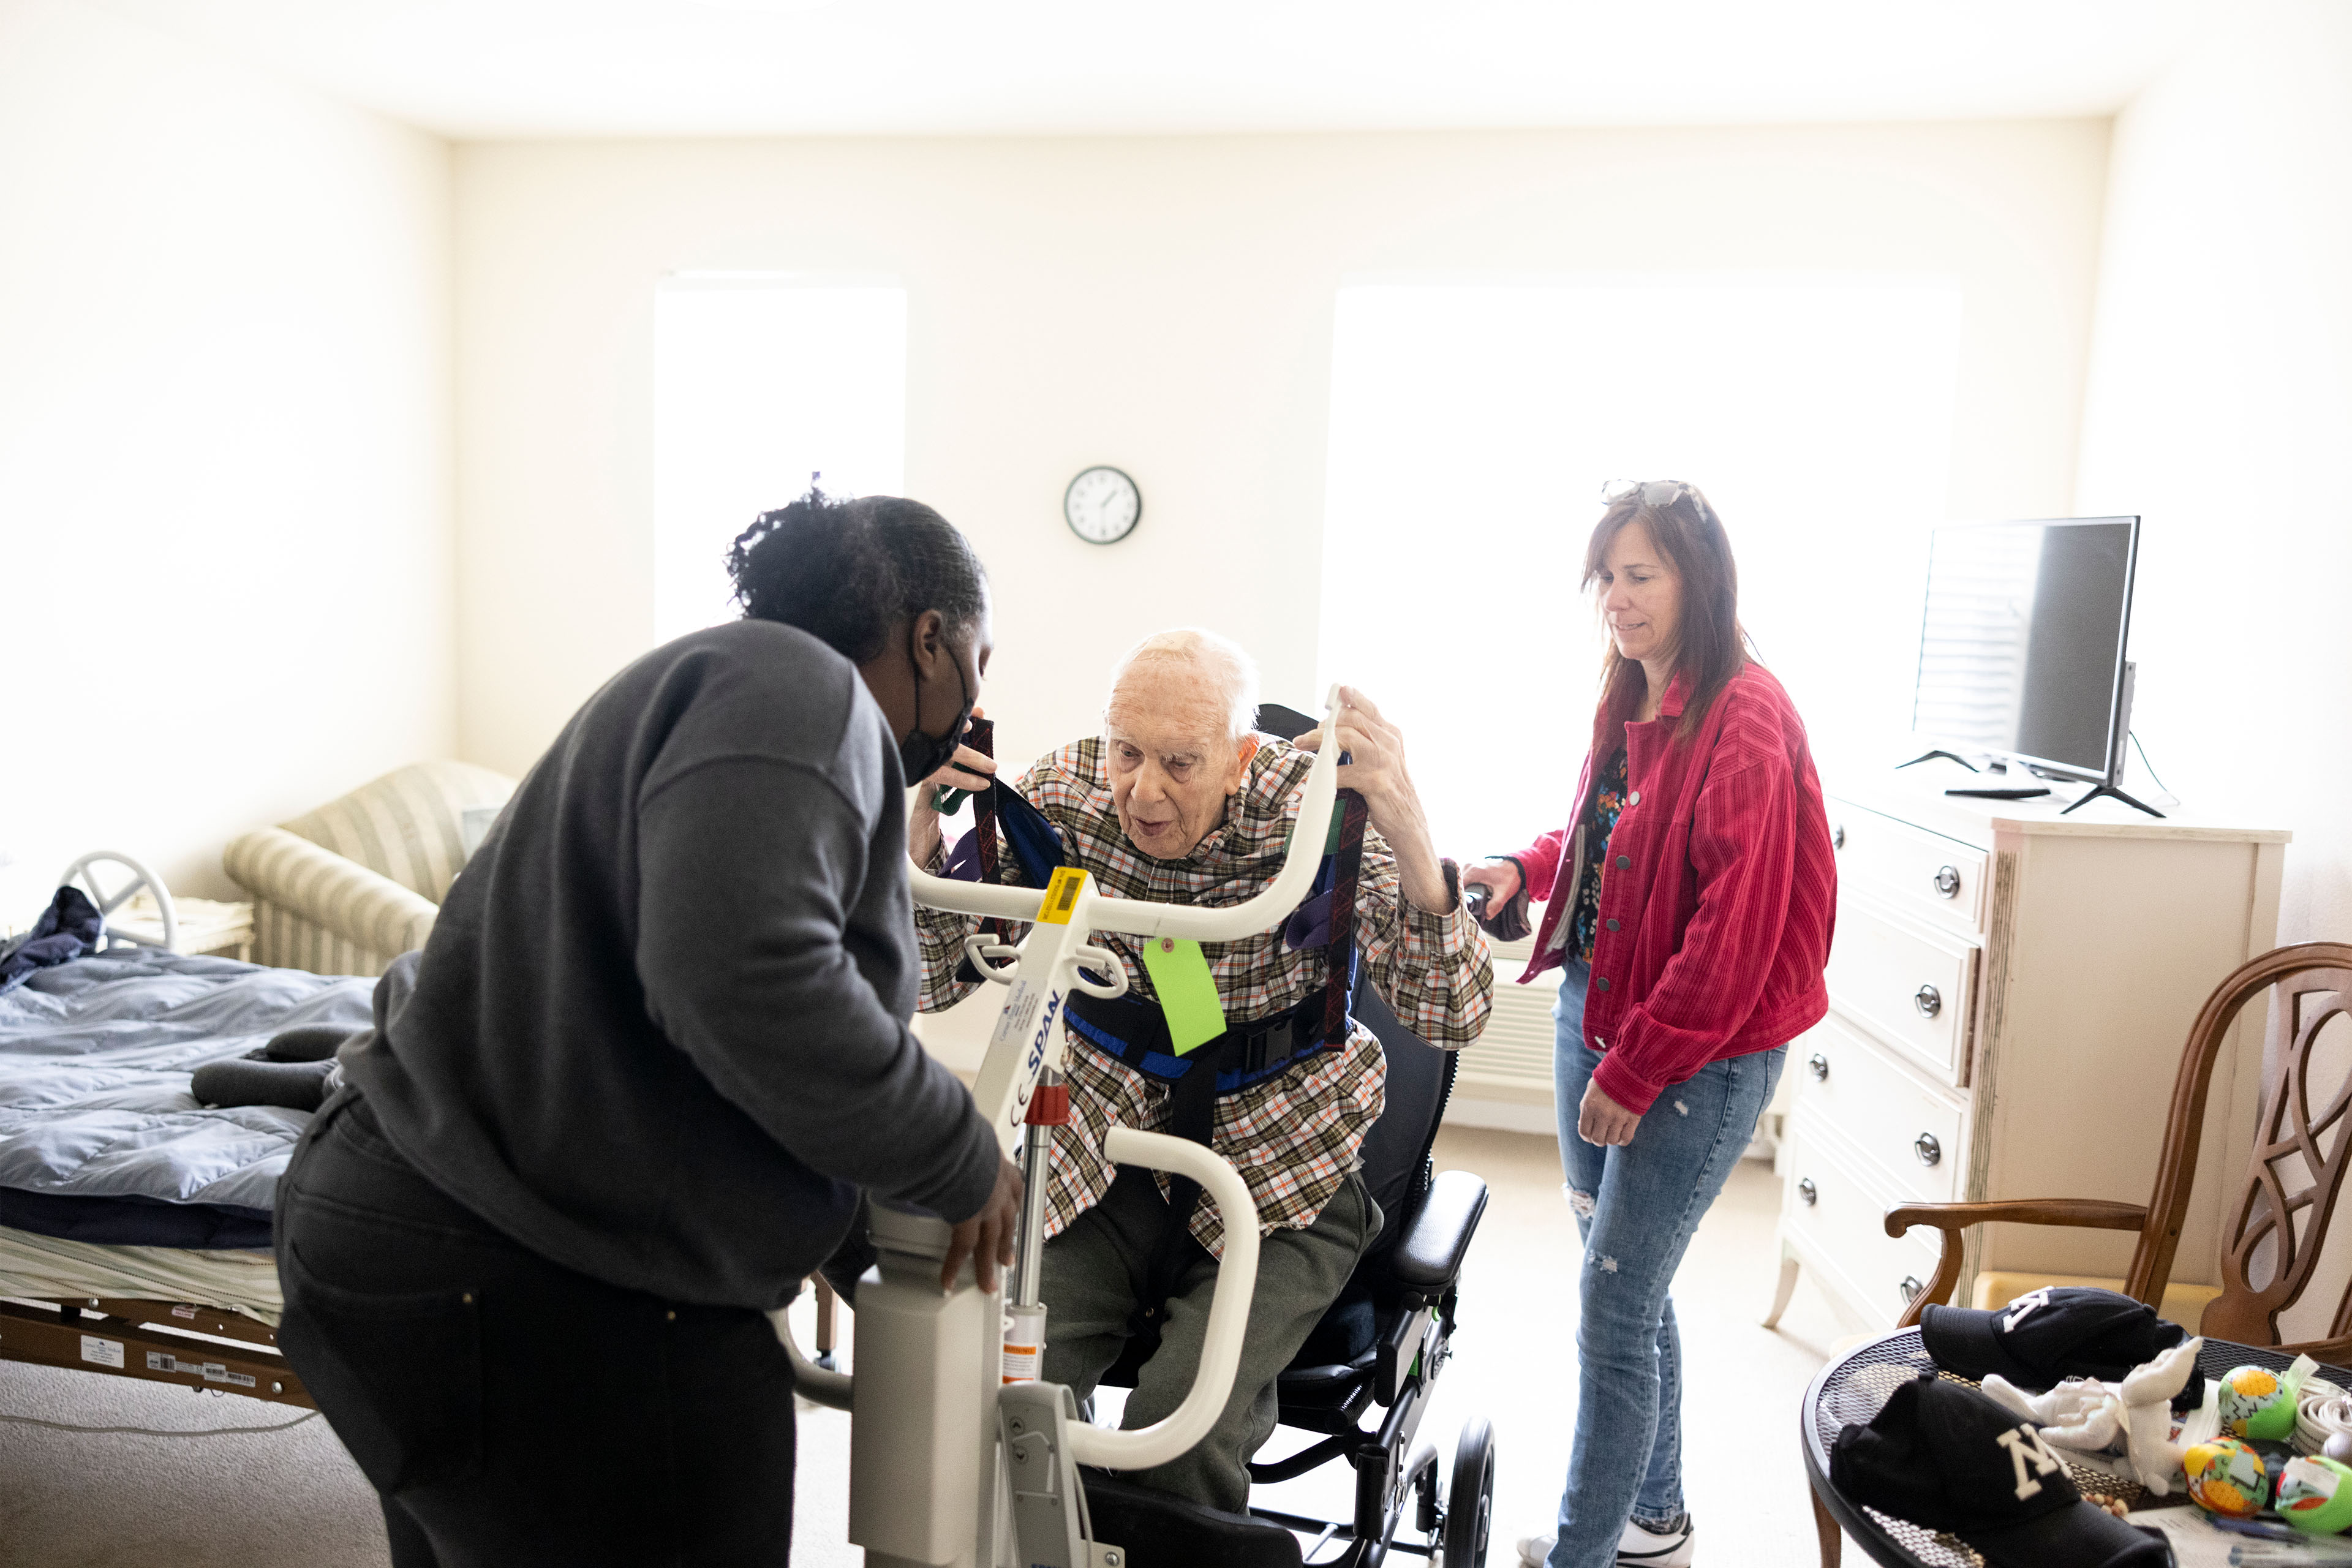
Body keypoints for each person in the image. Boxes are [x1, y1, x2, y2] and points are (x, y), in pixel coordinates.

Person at [274, 489, 1025, 1567]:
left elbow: (679, 1010)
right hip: (520, 1268)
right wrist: (954, 1155)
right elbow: (746, 976)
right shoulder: (801, 691)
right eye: (979, 660)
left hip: (429, 1236)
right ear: (929, 640)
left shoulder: (727, 685)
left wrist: (838, 1199)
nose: (977, 697)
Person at [908, 629, 1493, 1515]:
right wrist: (921, 845)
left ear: (1240, 759)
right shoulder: (1064, 798)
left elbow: (1455, 1014)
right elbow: (927, 981)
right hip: (1103, 1159)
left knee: (1180, 1433)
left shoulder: (1313, 814)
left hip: (1282, 1172)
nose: (1144, 790)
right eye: (1127, 751)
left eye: (1181, 762)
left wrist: (1411, 827)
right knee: (1005, 1405)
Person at [1460, 482, 1836, 1568]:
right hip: (1601, 1002)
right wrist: (1526, 866)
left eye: (1643, 576)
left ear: (1699, 582)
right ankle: (1655, 1521)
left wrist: (1634, 1070)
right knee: (1626, 1272)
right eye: (1608, 577)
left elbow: (1732, 935)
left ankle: (1585, 1556)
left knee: (1613, 1304)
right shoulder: (1637, 687)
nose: (1618, 600)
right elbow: (1612, 828)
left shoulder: (1748, 713)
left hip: (1693, 1049)